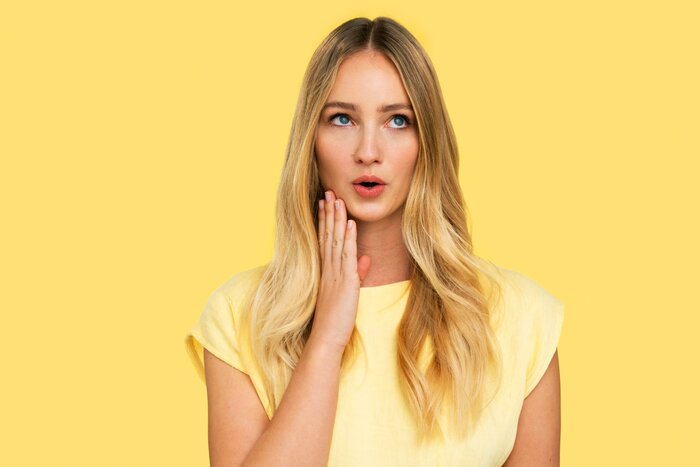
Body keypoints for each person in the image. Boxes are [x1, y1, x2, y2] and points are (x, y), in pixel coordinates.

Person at [185, 16, 564, 467]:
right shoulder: (239, 316)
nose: (369, 150)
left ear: (427, 141)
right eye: (342, 119)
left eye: (398, 121)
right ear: (312, 139)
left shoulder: (522, 318)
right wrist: (326, 338)